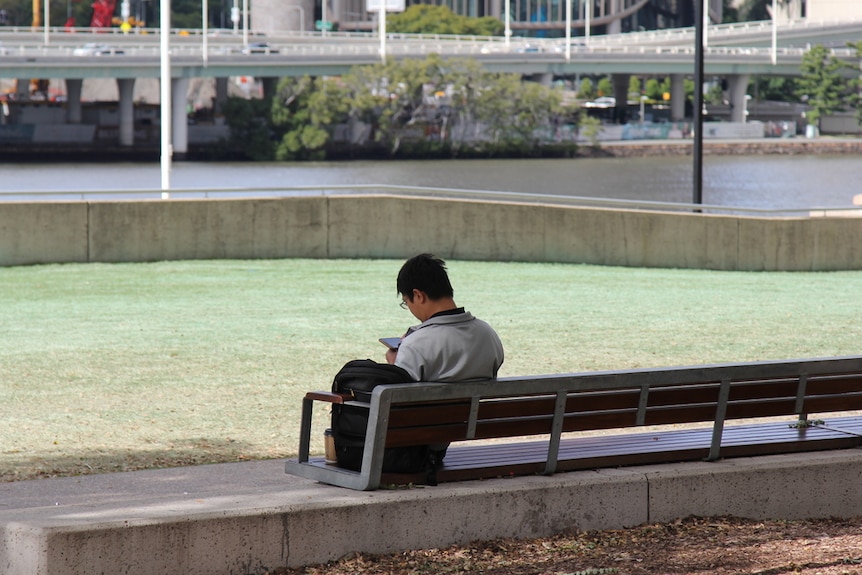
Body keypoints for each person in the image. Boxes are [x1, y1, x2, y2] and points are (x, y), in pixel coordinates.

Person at [385, 253, 504, 383]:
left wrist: (394, 365)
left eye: (406, 302)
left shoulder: (415, 345)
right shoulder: (488, 334)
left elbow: (398, 396)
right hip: (482, 403)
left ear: (418, 295)